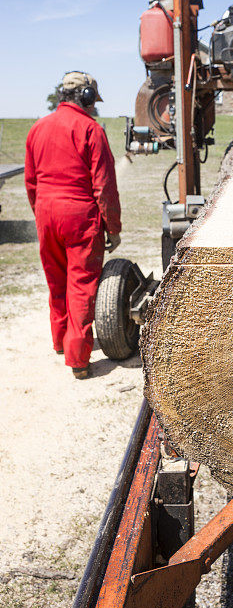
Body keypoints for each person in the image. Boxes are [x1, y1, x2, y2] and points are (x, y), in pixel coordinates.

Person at [25, 71, 121, 379]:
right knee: (81, 285)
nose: (95, 108)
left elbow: (31, 182)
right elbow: (104, 185)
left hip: (45, 212)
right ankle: (78, 360)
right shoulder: (90, 129)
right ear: (87, 97)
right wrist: (113, 226)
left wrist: (42, 214)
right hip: (79, 215)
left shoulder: (37, 128)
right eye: (94, 101)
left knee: (57, 281)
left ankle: (59, 341)